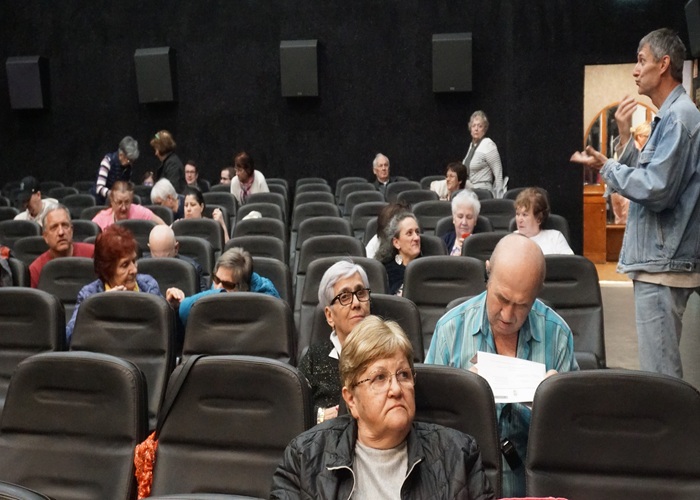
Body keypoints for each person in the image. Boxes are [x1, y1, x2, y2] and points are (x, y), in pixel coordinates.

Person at [571, 28, 700, 378]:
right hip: (660, 263)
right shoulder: (671, 116)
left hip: (663, 265)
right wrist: (622, 142)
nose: (635, 70)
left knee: (661, 378)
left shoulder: (679, 116)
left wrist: (609, 167)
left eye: (642, 61)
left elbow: (656, 189)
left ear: (664, 64)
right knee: (660, 375)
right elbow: (651, 174)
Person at [271, 315, 495, 499]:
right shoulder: (305, 457)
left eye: (403, 375)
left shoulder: (458, 456)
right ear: (351, 400)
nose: (396, 389)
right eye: (379, 378)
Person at [425, 233, 578, 497]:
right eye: (502, 299)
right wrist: (461, 401)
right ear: (488, 273)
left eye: (522, 305)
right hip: (462, 482)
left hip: (533, 486)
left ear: (537, 294)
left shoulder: (557, 335)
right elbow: (427, 429)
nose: (508, 315)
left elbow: (574, 438)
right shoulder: (451, 329)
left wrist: (554, 407)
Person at [65, 224, 183, 343]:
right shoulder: (89, 295)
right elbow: (69, 338)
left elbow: (168, 337)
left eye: (134, 261)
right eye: (125, 265)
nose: (134, 270)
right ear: (107, 270)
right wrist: (100, 305)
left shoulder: (148, 286)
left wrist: (172, 310)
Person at [297, 260, 371, 425]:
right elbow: (293, 410)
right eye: (344, 297)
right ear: (329, 316)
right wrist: (321, 416)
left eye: (361, 293)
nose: (356, 303)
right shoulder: (314, 358)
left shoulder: (387, 350)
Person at [178, 247, 279, 325]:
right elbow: (184, 311)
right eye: (216, 279)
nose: (218, 287)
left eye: (227, 284)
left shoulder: (266, 295)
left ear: (243, 287)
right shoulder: (218, 286)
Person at [29, 204, 94, 288]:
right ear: (45, 237)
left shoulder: (92, 254)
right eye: (54, 227)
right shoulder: (36, 269)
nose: (61, 232)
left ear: (71, 230)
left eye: (65, 225)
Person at [611, 121, 651, 225]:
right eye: (648, 137)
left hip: (616, 190)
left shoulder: (628, 146)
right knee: (629, 224)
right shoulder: (636, 149)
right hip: (626, 191)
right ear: (640, 136)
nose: (650, 140)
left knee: (619, 222)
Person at [146, 224, 207, 292]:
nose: (160, 264)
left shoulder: (192, 270)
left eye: (165, 259)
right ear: (149, 248)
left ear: (176, 248)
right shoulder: (142, 268)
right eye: (156, 257)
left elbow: (202, 297)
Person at [513, 187, 573, 255]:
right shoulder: (511, 240)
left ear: (539, 218)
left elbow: (570, 261)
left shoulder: (555, 238)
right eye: (518, 214)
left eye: (524, 215)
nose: (519, 220)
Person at [374, 212, 421, 296]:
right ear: (396, 243)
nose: (416, 237)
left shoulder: (429, 267)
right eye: (409, 233)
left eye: (417, 232)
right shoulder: (385, 272)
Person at [92, 181, 166, 230]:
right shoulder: (101, 219)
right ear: (112, 202)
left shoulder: (140, 212)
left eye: (127, 202)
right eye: (119, 202)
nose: (123, 208)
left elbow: (164, 227)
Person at [462, 111, 503, 195]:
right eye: (473, 126)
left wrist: (499, 197)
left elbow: (498, 174)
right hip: (469, 189)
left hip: (483, 192)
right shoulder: (472, 145)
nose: (476, 129)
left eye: (480, 126)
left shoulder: (488, 144)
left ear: (484, 129)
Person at [93, 136, 139, 205]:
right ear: (121, 155)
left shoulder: (128, 166)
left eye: (132, 160)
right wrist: (114, 195)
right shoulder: (107, 161)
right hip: (101, 202)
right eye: (128, 159)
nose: (130, 162)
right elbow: (99, 188)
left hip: (119, 202)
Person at [443, 189, 481, 256]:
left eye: (469, 217)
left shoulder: (481, 243)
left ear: (475, 221)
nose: (464, 222)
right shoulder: (444, 242)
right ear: (454, 219)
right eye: (460, 217)